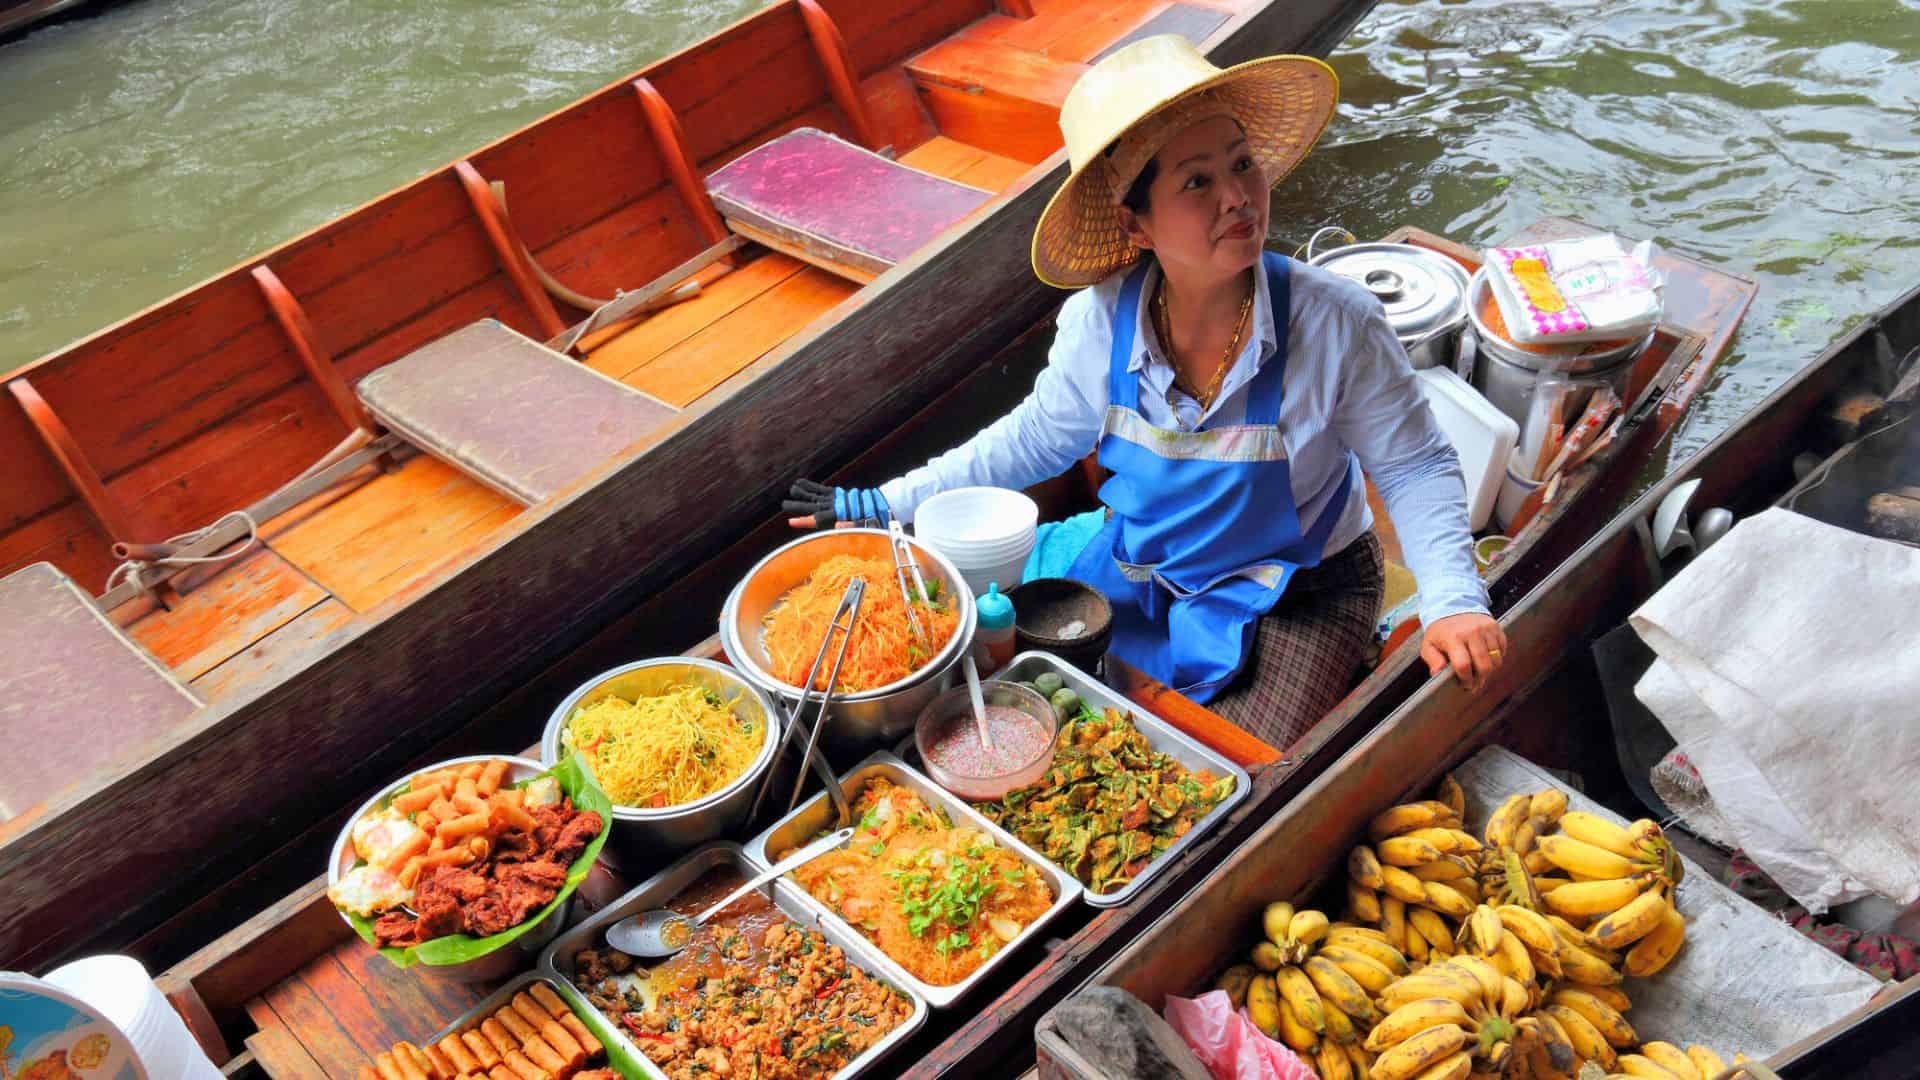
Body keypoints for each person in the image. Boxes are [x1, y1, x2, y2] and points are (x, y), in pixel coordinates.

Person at [785, 35, 1506, 747]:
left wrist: (1452, 601)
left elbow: (1414, 465)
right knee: (1045, 721)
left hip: (1301, 591)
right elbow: (1035, 438)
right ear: (1136, 223)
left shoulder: (1338, 322)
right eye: (1197, 182)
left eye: (1242, 164)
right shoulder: (1100, 323)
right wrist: (884, 503)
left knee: (1225, 769)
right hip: (1147, 563)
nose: (1237, 198)